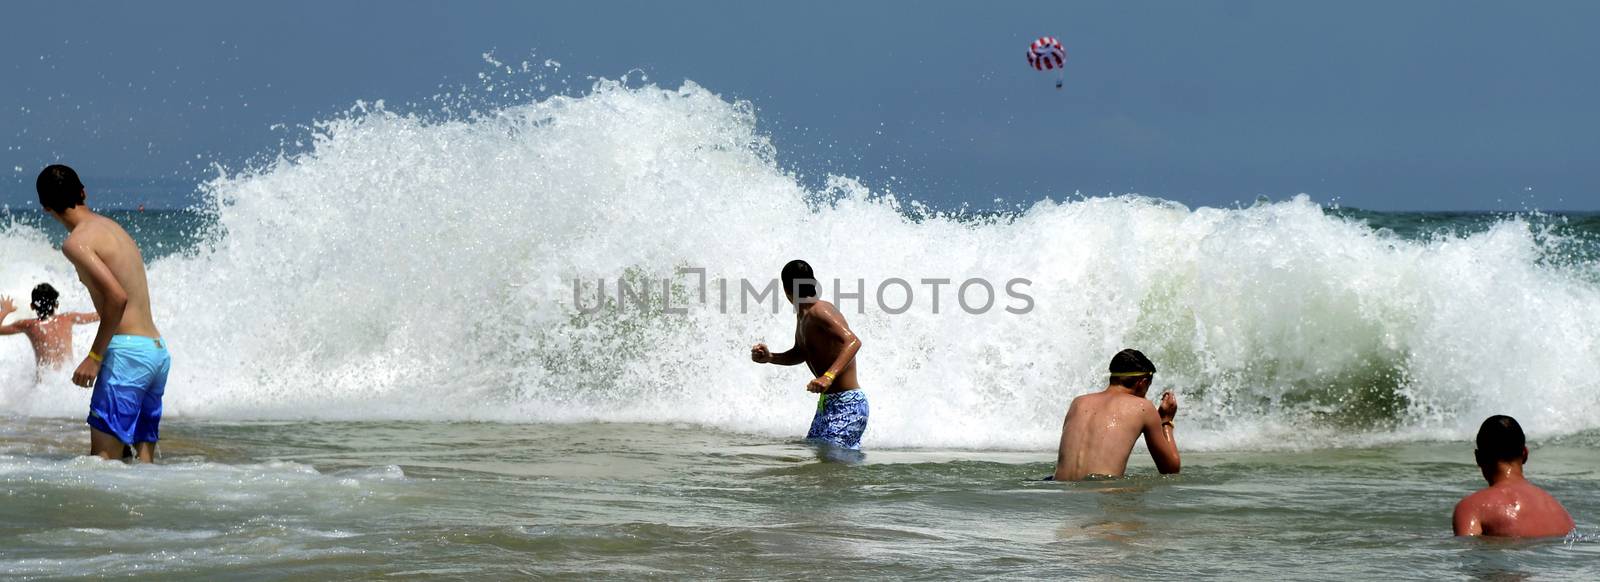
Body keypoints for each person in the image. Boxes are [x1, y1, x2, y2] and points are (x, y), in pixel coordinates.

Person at [36, 164, 171, 463]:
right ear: (83, 191)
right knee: (142, 467)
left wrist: (94, 357)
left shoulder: (77, 242)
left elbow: (116, 297)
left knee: (103, 465)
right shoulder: (112, 227)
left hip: (127, 357)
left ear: (47, 208)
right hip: (155, 352)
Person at [750, 260, 868, 450]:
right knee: (821, 465)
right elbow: (800, 353)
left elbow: (853, 341)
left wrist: (828, 376)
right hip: (827, 404)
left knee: (833, 465)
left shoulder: (820, 310)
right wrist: (771, 358)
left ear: (787, 289)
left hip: (848, 403)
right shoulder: (803, 316)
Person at [1052, 349, 1180, 481]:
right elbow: (1171, 469)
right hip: (1104, 492)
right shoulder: (1143, 407)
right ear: (1142, 382)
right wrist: (1166, 421)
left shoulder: (1078, 403)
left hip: (1062, 492)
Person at [1452, 415, 1575, 537]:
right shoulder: (1560, 512)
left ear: (1478, 458)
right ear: (1525, 454)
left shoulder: (1473, 507)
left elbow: (1468, 552)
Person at [0, 284, 101, 374]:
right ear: (56, 304)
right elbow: (101, 316)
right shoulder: (69, 318)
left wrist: (5, 310)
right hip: (68, 382)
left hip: (45, 386)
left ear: (32, 306)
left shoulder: (29, 325)